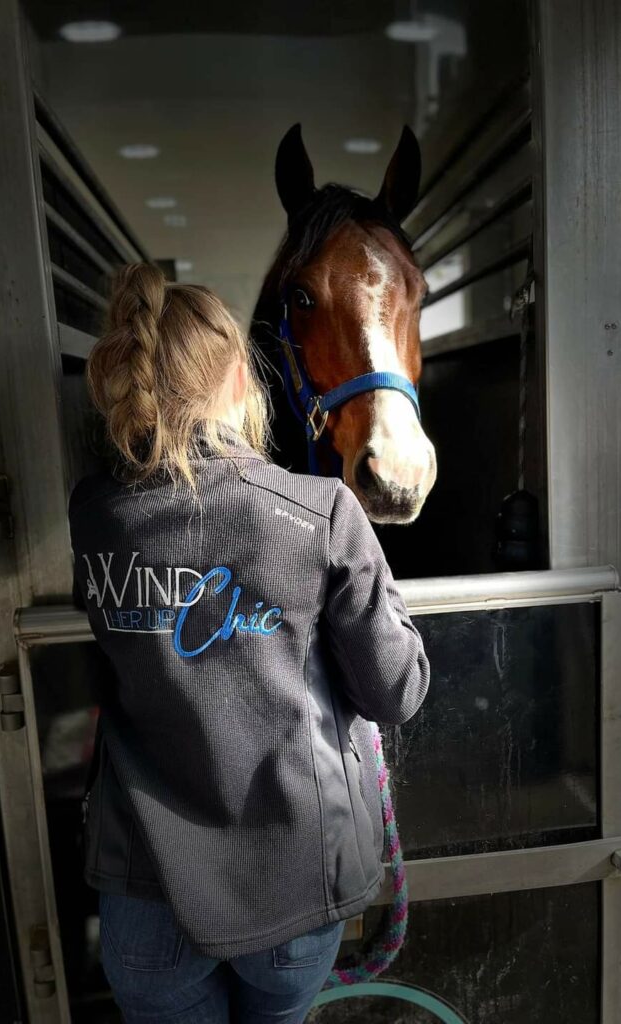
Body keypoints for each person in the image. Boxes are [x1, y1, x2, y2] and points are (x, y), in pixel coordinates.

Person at [68, 263, 430, 1023]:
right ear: (240, 374)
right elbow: (395, 690)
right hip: (297, 882)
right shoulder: (320, 512)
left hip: (145, 892)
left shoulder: (96, 513)